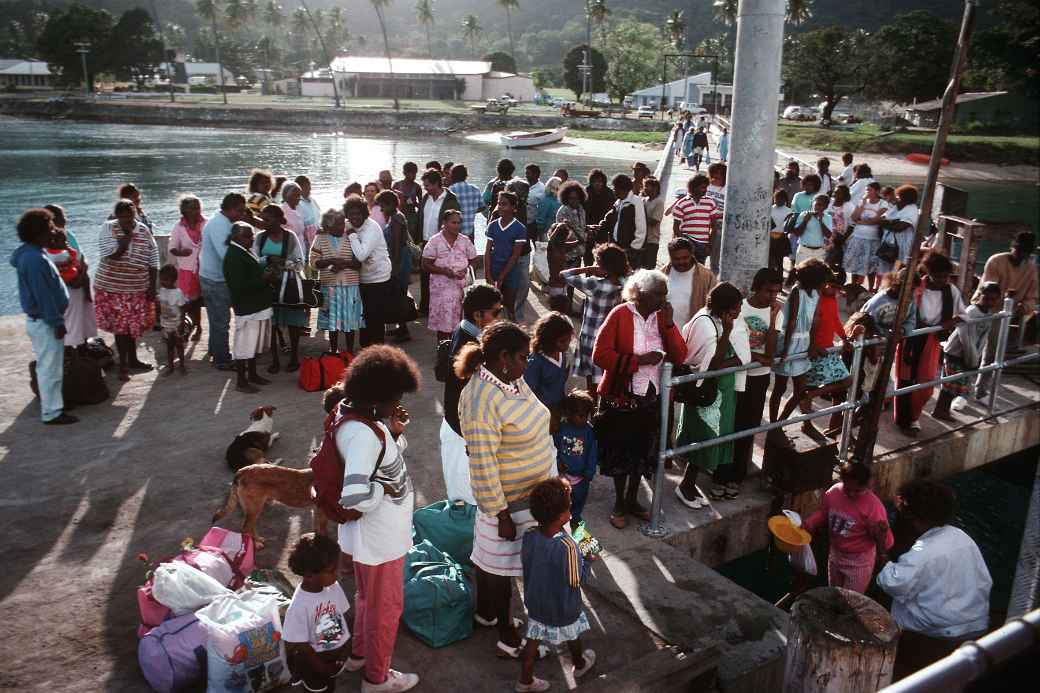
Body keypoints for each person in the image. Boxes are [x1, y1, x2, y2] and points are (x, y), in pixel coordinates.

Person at [457, 322, 555, 657]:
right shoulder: (479, 399)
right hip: (509, 503)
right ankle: (506, 633)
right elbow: (481, 462)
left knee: (499, 566)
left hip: (536, 493)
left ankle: (487, 615)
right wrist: (501, 514)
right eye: (522, 358)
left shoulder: (511, 379)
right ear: (503, 358)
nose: (527, 365)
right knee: (501, 570)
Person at [333, 346, 421, 693]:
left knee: (367, 601)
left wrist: (394, 433)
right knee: (385, 608)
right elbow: (353, 494)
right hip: (379, 539)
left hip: (369, 539)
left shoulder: (357, 417)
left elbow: (378, 461)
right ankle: (377, 678)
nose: (397, 402)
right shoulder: (362, 435)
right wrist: (381, 492)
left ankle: (359, 656)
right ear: (376, 396)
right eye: (394, 397)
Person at [593, 269, 687, 528]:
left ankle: (633, 500)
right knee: (620, 452)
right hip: (622, 397)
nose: (665, 301)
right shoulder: (620, 315)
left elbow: (680, 355)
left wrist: (669, 325)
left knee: (642, 453)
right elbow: (600, 355)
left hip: (650, 397)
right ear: (642, 295)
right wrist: (639, 361)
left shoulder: (662, 317)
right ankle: (620, 503)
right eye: (660, 295)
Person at [877, 480, 992, 679]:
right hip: (975, 623)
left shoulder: (923, 553)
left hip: (937, 633)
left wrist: (882, 553)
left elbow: (892, 582)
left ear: (917, 518)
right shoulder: (962, 536)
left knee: (889, 599)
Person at [516, 478, 595, 693]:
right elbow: (576, 581)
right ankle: (579, 665)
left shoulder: (530, 535)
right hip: (562, 606)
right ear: (563, 516)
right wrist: (588, 559)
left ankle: (525, 681)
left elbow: (528, 564)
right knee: (572, 634)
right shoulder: (568, 546)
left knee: (532, 640)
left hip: (536, 602)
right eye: (569, 505)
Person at [675, 282, 745, 507]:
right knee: (703, 438)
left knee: (709, 439)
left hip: (718, 396)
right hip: (707, 393)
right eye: (736, 307)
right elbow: (711, 365)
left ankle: (690, 482)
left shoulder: (713, 318)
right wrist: (729, 341)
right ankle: (685, 486)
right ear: (725, 307)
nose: (739, 312)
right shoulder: (706, 325)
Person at [440, 284, 504, 506]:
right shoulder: (469, 345)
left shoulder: (465, 330)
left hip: (458, 427)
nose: (499, 317)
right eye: (495, 313)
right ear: (478, 315)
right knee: (466, 500)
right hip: (461, 433)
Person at [11, 208, 75, 425]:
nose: (53, 232)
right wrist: (57, 322)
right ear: (38, 234)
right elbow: (45, 295)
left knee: (48, 366)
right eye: (49, 229)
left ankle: (53, 405)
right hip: (45, 321)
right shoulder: (36, 260)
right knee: (50, 369)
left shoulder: (28, 254)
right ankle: (52, 412)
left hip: (40, 320)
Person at [896, 251, 966, 435]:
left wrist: (948, 323)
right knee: (905, 380)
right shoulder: (917, 286)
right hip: (911, 337)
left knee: (926, 384)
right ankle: (905, 421)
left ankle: (913, 416)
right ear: (929, 272)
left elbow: (963, 314)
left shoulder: (951, 290)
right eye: (938, 276)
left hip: (933, 339)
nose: (943, 279)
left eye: (946, 276)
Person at [803, 462, 894, 594]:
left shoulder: (874, 507)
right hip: (835, 554)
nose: (851, 494)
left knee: (851, 600)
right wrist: (807, 524)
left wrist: (878, 533)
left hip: (859, 562)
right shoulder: (833, 492)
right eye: (847, 489)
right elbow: (823, 513)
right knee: (834, 594)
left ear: (866, 485)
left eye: (857, 491)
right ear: (842, 480)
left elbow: (887, 542)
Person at [94, 198, 159, 381]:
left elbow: (153, 258)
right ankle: (123, 365)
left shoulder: (143, 230)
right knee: (121, 328)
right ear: (116, 216)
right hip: (112, 288)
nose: (126, 220)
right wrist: (126, 238)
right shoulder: (108, 228)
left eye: (129, 216)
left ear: (134, 215)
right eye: (122, 217)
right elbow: (111, 255)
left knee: (132, 327)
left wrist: (152, 286)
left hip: (137, 287)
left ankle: (133, 360)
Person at [283, 533, 354, 693]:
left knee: (330, 687)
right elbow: (300, 644)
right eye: (331, 570)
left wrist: (345, 648)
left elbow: (344, 615)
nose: (337, 574)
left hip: (335, 657)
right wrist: (320, 667)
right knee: (317, 690)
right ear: (309, 575)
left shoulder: (333, 587)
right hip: (314, 664)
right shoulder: (299, 606)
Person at [767, 259, 828, 445]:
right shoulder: (797, 292)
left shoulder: (816, 294)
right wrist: (785, 349)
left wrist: (812, 344)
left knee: (801, 391)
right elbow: (792, 321)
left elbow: (814, 320)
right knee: (780, 388)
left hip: (803, 342)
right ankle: (773, 425)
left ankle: (779, 423)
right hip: (790, 340)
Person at [734, 268, 783, 488]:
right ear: (756, 288)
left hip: (760, 377)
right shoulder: (740, 308)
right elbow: (735, 346)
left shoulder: (776, 312)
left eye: (776, 292)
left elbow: (770, 355)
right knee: (732, 422)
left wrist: (772, 320)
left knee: (751, 422)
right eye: (768, 291)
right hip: (737, 375)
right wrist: (755, 356)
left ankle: (740, 469)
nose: (772, 297)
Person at [562, 244, 629, 396]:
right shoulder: (625, 284)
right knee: (606, 380)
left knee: (591, 381)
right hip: (611, 340)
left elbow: (564, 274)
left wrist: (588, 269)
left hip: (590, 338)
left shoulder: (595, 285)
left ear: (603, 266)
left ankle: (592, 410)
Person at [797, 270, 855, 439]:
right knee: (808, 387)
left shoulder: (832, 300)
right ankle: (806, 424)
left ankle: (812, 396)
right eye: (832, 287)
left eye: (838, 288)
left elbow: (836, 320)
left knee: (847, 380)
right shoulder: (813, 300)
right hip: (811, 351)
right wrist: (811, 346)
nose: (835, 291)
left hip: (828, 350)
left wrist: (844, 338)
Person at [973, 231, 1037, 377]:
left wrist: (1024, 306)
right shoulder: (996, 261)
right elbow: (989, 291)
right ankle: (975, 386)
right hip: (985, 309)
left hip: (1007, 314)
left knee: (993, 354)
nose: (1021, 255)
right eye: (1019, 250)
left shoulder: (1031, 268)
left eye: (1025, 252)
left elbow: (1032, 297)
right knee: (982, 351)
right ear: (1012, 247)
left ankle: (980, 390)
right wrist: (1007, 299)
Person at [934, 281, 1001, 420]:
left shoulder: (989, 314)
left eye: (993, 299)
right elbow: (965, 336)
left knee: (956, 385)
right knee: (950, 384)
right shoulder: (971, 311)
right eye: (986, 298)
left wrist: (976, 356)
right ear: (979, 295)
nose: (989, 302)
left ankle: (943, 410)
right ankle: (940, 411)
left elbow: (983, 338)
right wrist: (972, 358)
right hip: (955, 352)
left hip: (969, 354)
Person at [255, 204, 307, 373]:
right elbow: (254, 260)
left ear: (278, 220)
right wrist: (268, 260)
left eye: (267, 219)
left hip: (288, 285)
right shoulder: (260, 238)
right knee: (273, 323)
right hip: (268, 285)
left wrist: (283, 263)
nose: (264, 222)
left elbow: (300, 262)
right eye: (263, 219)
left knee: (293, 322)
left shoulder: (290, 237)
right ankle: (275, 359)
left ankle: (293, 358)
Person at [223, 222, 274, 393]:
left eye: (252, 235)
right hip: (248, 308)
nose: (252, 239)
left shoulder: (242, 251)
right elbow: (239, 286)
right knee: (244, 345)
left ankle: (252, 374)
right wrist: (264, 278)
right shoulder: (233, 256)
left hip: (257, 307)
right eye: (247, 236)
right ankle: (241, 381)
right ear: (236, 237)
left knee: (254, 343)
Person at [200, 193, 249, 370]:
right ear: (231, 208)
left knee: (216, 320)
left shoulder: (220, 220)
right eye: (240, 211)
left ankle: (216, 351)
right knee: (221, 321)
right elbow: (227, 256)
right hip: (216, 280)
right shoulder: (219, 225)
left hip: (211, 276)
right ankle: (222, 360)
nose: (242, 214)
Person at [311, 208, 364, 355]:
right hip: (330, 287)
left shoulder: (351, 236)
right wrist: (331, 261)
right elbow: (313, 262)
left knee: (349, 323)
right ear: (328, 227)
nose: (343, 227)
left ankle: (349, 351)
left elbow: (359, 263)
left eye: (343, 223)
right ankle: (333, 351)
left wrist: (342, 264)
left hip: (350, 286)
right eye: (338, 225)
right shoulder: (320, 238)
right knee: (333, 323)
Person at [43, 204, 97, 350]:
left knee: (83, 320)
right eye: (62, 216)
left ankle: (83, 349)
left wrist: (83, 270)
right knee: (69, 322)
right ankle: (70, 356)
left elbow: (81, 255)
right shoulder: (50, 241)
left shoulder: (68, 235)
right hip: (67, 287)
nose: (65, 218)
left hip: (78, 280)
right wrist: (75, 277)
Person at [346, 195, 395, 348]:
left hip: (378, 278)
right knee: (364, 318)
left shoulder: (371, 227)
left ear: (364, 213)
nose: (354, 217)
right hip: (362, 279)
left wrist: (352, 235)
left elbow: (361, 255)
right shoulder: (348, 225)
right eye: (351, 214)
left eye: (357, 213)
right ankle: (366, 351)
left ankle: (379, 353)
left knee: (376, 319)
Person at [421, 209, 477, 340]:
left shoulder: (464, 240)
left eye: (459, 223)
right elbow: (425, 264)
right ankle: (443, 351)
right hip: (441, 289)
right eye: (453, 222)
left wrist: (467, 269)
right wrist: (445, 271)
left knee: (461, 321)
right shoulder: (435, 241)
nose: (457, 225)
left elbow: (474, 259)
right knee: (443, 323)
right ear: (444, 223)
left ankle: (456, 350)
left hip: (461, 288)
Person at [417, 169, 460, 315]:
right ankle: (425, 308)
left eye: (427, 185)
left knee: (442, 277)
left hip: (442, 244)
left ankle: (441, 309)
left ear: (436, 184)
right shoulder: (425, 198)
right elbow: (420, 219)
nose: (425, 188)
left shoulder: (450, 200)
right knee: (425, 275)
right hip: (426, 242)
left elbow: (455, 224)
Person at [554, 390, 597, 530]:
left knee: (577, 507)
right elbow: (554, 447)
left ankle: (576, 527)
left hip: (581, 479)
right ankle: (562, 527)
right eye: (580, 415)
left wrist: (589, 472)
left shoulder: (589, 432)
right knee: (561, 505)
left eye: (586, 416)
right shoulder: (562, 428)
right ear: (569, 413)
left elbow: (592, 453)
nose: (584, 419)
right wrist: (558, 463)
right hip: (562, 478)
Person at [523, 311, 574, 424]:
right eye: (562, 341)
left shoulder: (562, 355)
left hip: (557, 409)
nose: (567, 345)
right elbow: (528, 392)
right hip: (540, 414)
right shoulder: (535, 362)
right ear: (549, 339)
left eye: (569, 341)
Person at [167, 194, 206, 342]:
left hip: (204, 268)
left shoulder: (206, 223)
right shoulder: (179, 227)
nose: (197, 211)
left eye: (198, 207)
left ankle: (198, 327)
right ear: (184, 211)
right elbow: (172, 248)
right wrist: (181, 252)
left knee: (198, 301)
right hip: (187, 270)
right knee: (186, 301)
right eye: (193, 208)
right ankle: (185, 327)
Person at [484, 191, 528, 321]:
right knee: (491, 306)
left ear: (514, 208)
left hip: (511, 272)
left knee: (509, 306)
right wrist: (488, 273)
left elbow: (515, 256)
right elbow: (487, 251)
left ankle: (511, 332)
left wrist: (501, 277)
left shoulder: (519, 228)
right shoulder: (492, 225)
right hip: (494, 268)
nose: (500, 207)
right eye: (499, 204)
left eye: (504, 204)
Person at [377, 190, 413, 344]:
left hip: (399, 262)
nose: (381, 209)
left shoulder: (397, 219)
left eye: (383, 206)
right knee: (398, 295)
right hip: (398, 260)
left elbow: (397, 245)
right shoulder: (395, 217)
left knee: (399, 295)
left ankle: (404, 330)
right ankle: (401, 327)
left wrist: (394, 267)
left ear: (391, 204)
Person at [660, 236, 717, 332]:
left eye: (685, 257)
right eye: (676, 259)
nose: (681, 262)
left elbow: (714, 308)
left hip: (695, 335)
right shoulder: (661, 274)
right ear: (670, 257)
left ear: (692, 255)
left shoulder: (707, 277)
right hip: (666, 334)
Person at [671, 174, 720, 266]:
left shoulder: (710, 202)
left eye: (706, 187)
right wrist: (686, 245)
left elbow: (714, 226)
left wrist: (710, 245)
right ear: (693, 187)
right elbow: (676, 228)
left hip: (703, 245)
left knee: (699, 272)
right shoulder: (682, 204)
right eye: (702, 188)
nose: (705, 190)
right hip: (687, 242)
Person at [847, 182, 885, 289]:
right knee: (855, 263)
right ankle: (854, 286)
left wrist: (861, 222)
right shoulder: (862, 202)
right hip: (858, 237)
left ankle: (871, 288)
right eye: (866, 190)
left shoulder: (882, 204)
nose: (867, 192)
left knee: (871, 265)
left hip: (872, 239)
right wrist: (862, 204)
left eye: (870, 190)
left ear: (877, 191)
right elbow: (854, 218)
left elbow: (877, 220)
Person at [605, 174, 646, 269]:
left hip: (630, 250)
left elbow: (641, 227)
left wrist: (634, 248)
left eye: (615, 188)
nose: (613, 190)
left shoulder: (636, 202)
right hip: (617, 247)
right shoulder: (618, 203)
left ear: (621, 189)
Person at [877, 185, 920, 276]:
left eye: (898, 197)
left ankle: (895, 287)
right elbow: (881, 220)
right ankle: (885, 287)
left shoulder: (912, 209)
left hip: (902, 247)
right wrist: (892, 222)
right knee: (886, 272)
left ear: (906, 198)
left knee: (897, 272)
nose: (896, 198)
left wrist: (889, 223)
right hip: (888, 246)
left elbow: (900, 227)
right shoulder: (896, 208)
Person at [157, 264, 188, 376]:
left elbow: (183, 309)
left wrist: (182, 324)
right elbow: (160, 306)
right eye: (161, 279)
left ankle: (182, 365)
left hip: (176, 324)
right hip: (166, 324)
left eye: (166, 280)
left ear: (173, 280)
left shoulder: (178, 293)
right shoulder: (162, 291)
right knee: (169, 346)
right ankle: (170, 366)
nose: (163, 282)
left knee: (179, 345)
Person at [791, 193, 832, 265]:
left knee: (817, 275)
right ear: (813, 203)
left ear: (825, 207)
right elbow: (797, 233)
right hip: (804, 251)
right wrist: (805, 221)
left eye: (821, 205)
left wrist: (820, 221)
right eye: (817, 204)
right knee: (801, 274)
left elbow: (828, 235)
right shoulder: (804, 214)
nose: (818, 207)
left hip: (819, 252)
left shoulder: (827, 217)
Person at [555, 180, 588, 269]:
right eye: (571, 198)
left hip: (579, 252)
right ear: (566, 198)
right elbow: (562, 235)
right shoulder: (563, 212)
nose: (574, 201)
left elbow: (580, 227)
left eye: (576, 198)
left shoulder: (581, 209)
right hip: (567, 255)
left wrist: (587, 229)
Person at [448, 165, 485, 240]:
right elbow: (482, 207)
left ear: (453, 176)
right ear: (465, 176)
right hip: (470, 231)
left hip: (455, 231)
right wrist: (472, 210)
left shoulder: (450, 190)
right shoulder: (475, 189)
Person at [392, 162, 422, 245]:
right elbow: (391, 202)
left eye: (415, 173)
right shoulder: (397, 185)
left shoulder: (417, 187)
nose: (413, 176)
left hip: (412, 217)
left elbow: (421, 205)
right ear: (404, 173)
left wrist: (413, 202)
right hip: (398, 215)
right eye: (411, 173)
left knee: (410, 240)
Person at [641, 176, 664, 270]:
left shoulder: (659, 202)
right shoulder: (643, 200)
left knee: (649, 267)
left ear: (655, 188)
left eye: (647, 186)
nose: (644, 188)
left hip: (652, 240)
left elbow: (654, 221)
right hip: (641, 240)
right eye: (644, 186)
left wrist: (640, 215)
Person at [295, 175, 323, 252]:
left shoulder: (313, 201)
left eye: (309, 185)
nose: (310, 188)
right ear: (299, 188)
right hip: (304, 243)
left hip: (317, 241)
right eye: (306, 186)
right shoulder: (297, 204)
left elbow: (319, 219)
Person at [583, 169, 615, 233]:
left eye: (600, 181)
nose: (597, 183)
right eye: (594, 181)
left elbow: (612, 210)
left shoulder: (609, 193)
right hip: (588, 225)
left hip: (605, 225)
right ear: (591, 182)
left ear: (603, 182)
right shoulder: (585, 193)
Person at [769, 190, 793, 274]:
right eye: (777, 198)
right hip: (770, 238)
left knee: (779, 261)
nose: (779, 200)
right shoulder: (770, 209)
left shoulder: (789, 211)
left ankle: (779, 278)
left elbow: (789, 227)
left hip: (782, 238)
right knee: (769, 260)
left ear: (785, 200)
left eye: (781, 199)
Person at [535, 176, 562, 241]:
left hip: (557, 231)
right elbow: (541, 220)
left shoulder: (558, 200)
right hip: (547, 232)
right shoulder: (545, 200)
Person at [524, 164, 545, 228]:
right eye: (526, 173)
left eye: (528, 173)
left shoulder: (541, 189)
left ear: (535, 174)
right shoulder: (523, 185)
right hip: (521, 219)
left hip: (532, 223)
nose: (526, 176)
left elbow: (542, 207)